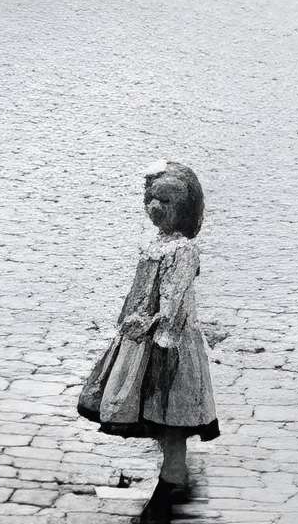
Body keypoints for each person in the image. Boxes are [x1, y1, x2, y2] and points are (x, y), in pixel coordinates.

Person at [78, 160, 220, 522]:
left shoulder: (183, 251)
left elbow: (173, 299)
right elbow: (139, 291)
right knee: (157, 415)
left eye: (166, 202)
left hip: (169, 343)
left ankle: (170, 484)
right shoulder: (153, 245)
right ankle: (173, 477)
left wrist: (155, 323)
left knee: (173, 418)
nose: (156, 208)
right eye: (152, 200)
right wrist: (128, 321)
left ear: (182, 210)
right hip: (142, 338)